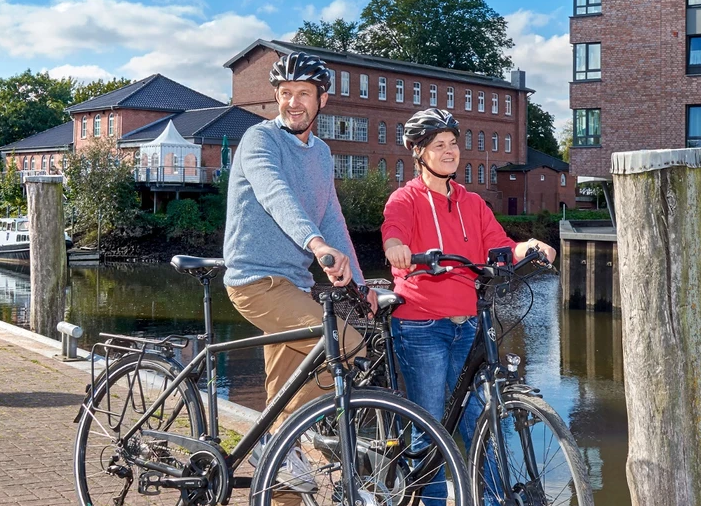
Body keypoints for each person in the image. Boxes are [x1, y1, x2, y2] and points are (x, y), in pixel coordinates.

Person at [380, 108, 557, 502]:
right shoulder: (404, 199)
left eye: (453, 144)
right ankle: (432, 499)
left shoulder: (472, 203)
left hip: (468, 327)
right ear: (419, 153)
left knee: (480, 421)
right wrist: (398, 250)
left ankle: (493, 499)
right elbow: (393, 233)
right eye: (438, 145)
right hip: (421, 327)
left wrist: (529, 246)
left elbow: (500, 246)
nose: (449, 152)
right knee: (429, 424)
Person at [222, 51, 373, 494]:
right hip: (256, 282)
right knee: (346, 344)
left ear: (321, 100)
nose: (292, 102)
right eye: (285, 93)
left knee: (282, 396)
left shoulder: (322, 154)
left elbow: (332, 220)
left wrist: (361, 286)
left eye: (303, 93)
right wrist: (316, 245)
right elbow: (275, 193)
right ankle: (276, 441)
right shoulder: (259, 140)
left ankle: (277, 462)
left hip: (296, 284)